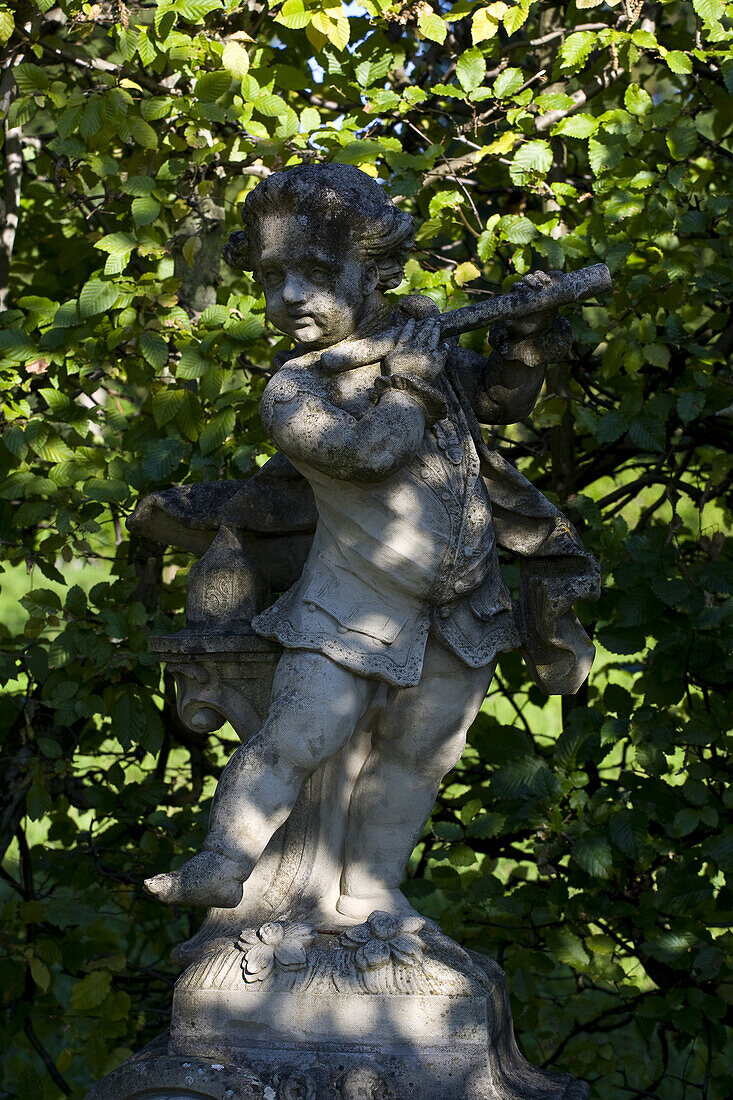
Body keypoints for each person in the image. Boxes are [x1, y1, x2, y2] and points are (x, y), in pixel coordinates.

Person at [144, 164, 598, 923]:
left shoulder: (422, 346)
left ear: (377, 271)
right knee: (300, 731)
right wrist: (411, 380)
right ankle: (222, 863)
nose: (289, 295)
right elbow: (372, 451)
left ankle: (371, 889)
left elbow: (498, 400)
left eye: (316, 272)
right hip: (349, 601)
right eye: (272, 276)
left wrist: (523, 337)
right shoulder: (295, 390)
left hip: (461, 602)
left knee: (422, 754)